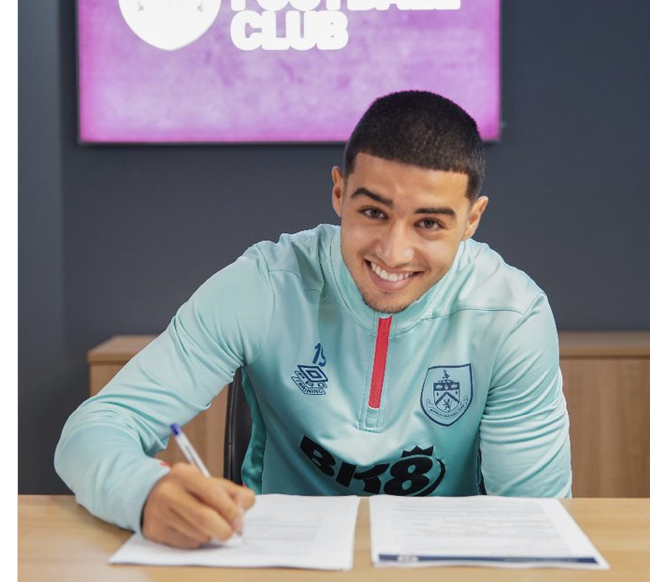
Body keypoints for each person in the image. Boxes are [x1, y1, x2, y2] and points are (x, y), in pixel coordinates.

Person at [55, 90, 572, 549]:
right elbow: (95, 429)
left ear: (471, 220)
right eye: (373, 212)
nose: (394, 253)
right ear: (339, 193)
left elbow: (537, 518)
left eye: (430, 223)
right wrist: (144, 493)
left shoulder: (513, 315)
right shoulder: (264, 284)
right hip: (275, 559)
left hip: (440, 564)